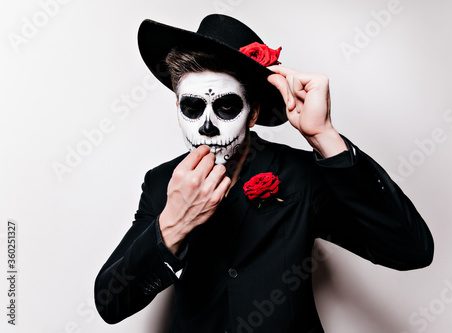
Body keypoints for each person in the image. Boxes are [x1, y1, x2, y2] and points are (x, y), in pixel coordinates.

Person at [94, 14, 434, 333]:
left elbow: (410, 250)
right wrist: (173, 224)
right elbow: (111, 302)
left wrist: (324, 136)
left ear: (253, 112)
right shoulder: (160, 183)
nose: (209, 127)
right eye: (192, 107)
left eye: (227, 106)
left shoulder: (300, 174)